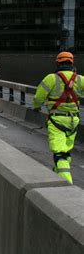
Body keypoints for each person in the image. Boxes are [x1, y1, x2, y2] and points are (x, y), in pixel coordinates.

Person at [32, 51, 83, 184]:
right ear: (72, 63)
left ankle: (66, 184)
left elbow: (38, 97)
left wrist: (36, 107)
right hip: (74, 121)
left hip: (56, 120)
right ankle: (56, 175)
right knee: (66, 152)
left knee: (60, 154)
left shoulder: (51, 78)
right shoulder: (80, 79)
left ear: (57, 63)